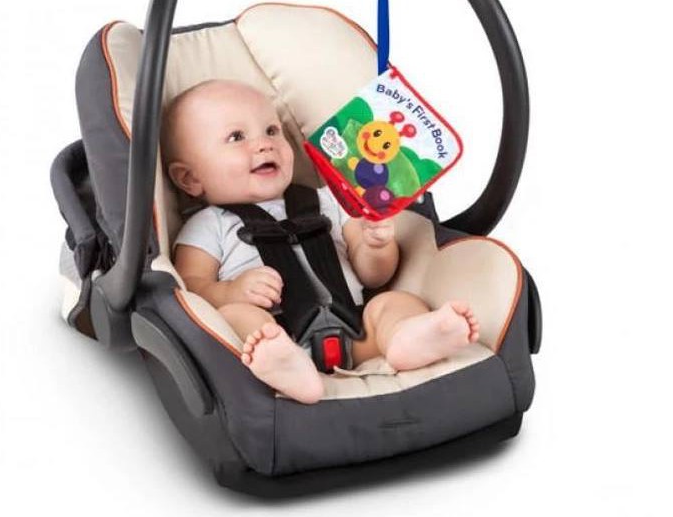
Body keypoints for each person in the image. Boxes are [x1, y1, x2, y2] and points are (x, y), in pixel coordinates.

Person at [161, 79, 480, 404]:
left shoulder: (332, 200)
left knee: (395, 303)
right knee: (235, 318)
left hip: (356, 329)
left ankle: (406, 340)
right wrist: (231, 292)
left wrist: (376, 245)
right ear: (190, 178)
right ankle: (288, 367)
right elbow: (191, 289)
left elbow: (374, 276)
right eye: (236, 137)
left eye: (272, 130)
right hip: (273, 332)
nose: (264, 144)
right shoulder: (208, 225)